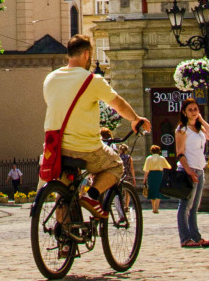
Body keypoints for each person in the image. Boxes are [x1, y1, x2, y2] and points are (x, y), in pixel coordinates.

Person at [41, 35, 149, 222]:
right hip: (85, 148)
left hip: (56, 149)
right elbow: (118, 104)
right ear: (86, 54)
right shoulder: (91, 80)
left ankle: (65, 243)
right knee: (116, 166)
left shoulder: (50, 78)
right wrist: (135, 119)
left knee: (64, 192)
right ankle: (91, 196)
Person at [174, 98, 209, 247]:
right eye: (190, 110)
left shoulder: (199, 128)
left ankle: (196, 236)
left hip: (199, 169)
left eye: (196, 109)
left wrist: (201, 119)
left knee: (195, 206)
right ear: (184, 112)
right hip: (187, 170)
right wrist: (189, 171)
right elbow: (179, 152)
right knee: (185, 206)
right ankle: (185, 238)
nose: (193, 112)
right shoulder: (182, 130)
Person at [143, 148, 171, 214]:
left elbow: (146, 170)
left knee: (152, 190)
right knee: (158, 191)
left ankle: (153, 208)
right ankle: (156, 208)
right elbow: (168, 167)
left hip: (151, 174)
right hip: (159, 174)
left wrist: (144, 179)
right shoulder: (161, 158)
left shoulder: (148, 158)